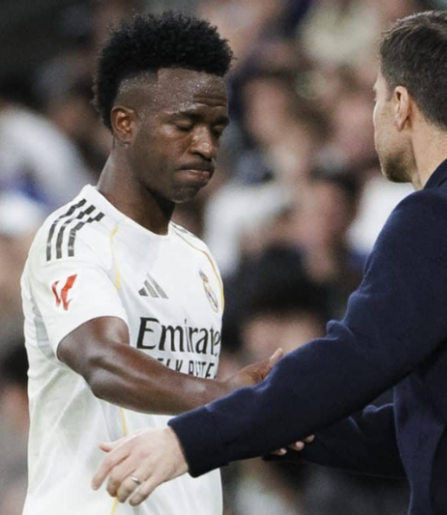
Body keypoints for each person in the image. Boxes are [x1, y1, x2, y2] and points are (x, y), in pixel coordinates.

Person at [93, 11, 447, 515]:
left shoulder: (441, 216)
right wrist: (280, 421)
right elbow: (440, 434)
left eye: (376, 97)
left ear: (401, 104)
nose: (374, 116)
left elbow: (351, 359)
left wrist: (186, 441)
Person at [20, 12, 288, 515]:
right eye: (184, 125)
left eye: (216, 128)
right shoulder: (74, 237)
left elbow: (188, 410)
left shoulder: (198, 256)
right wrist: (230, 397)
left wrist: (264, 412)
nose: (206, 146)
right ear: (125, 123)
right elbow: (103, 362)